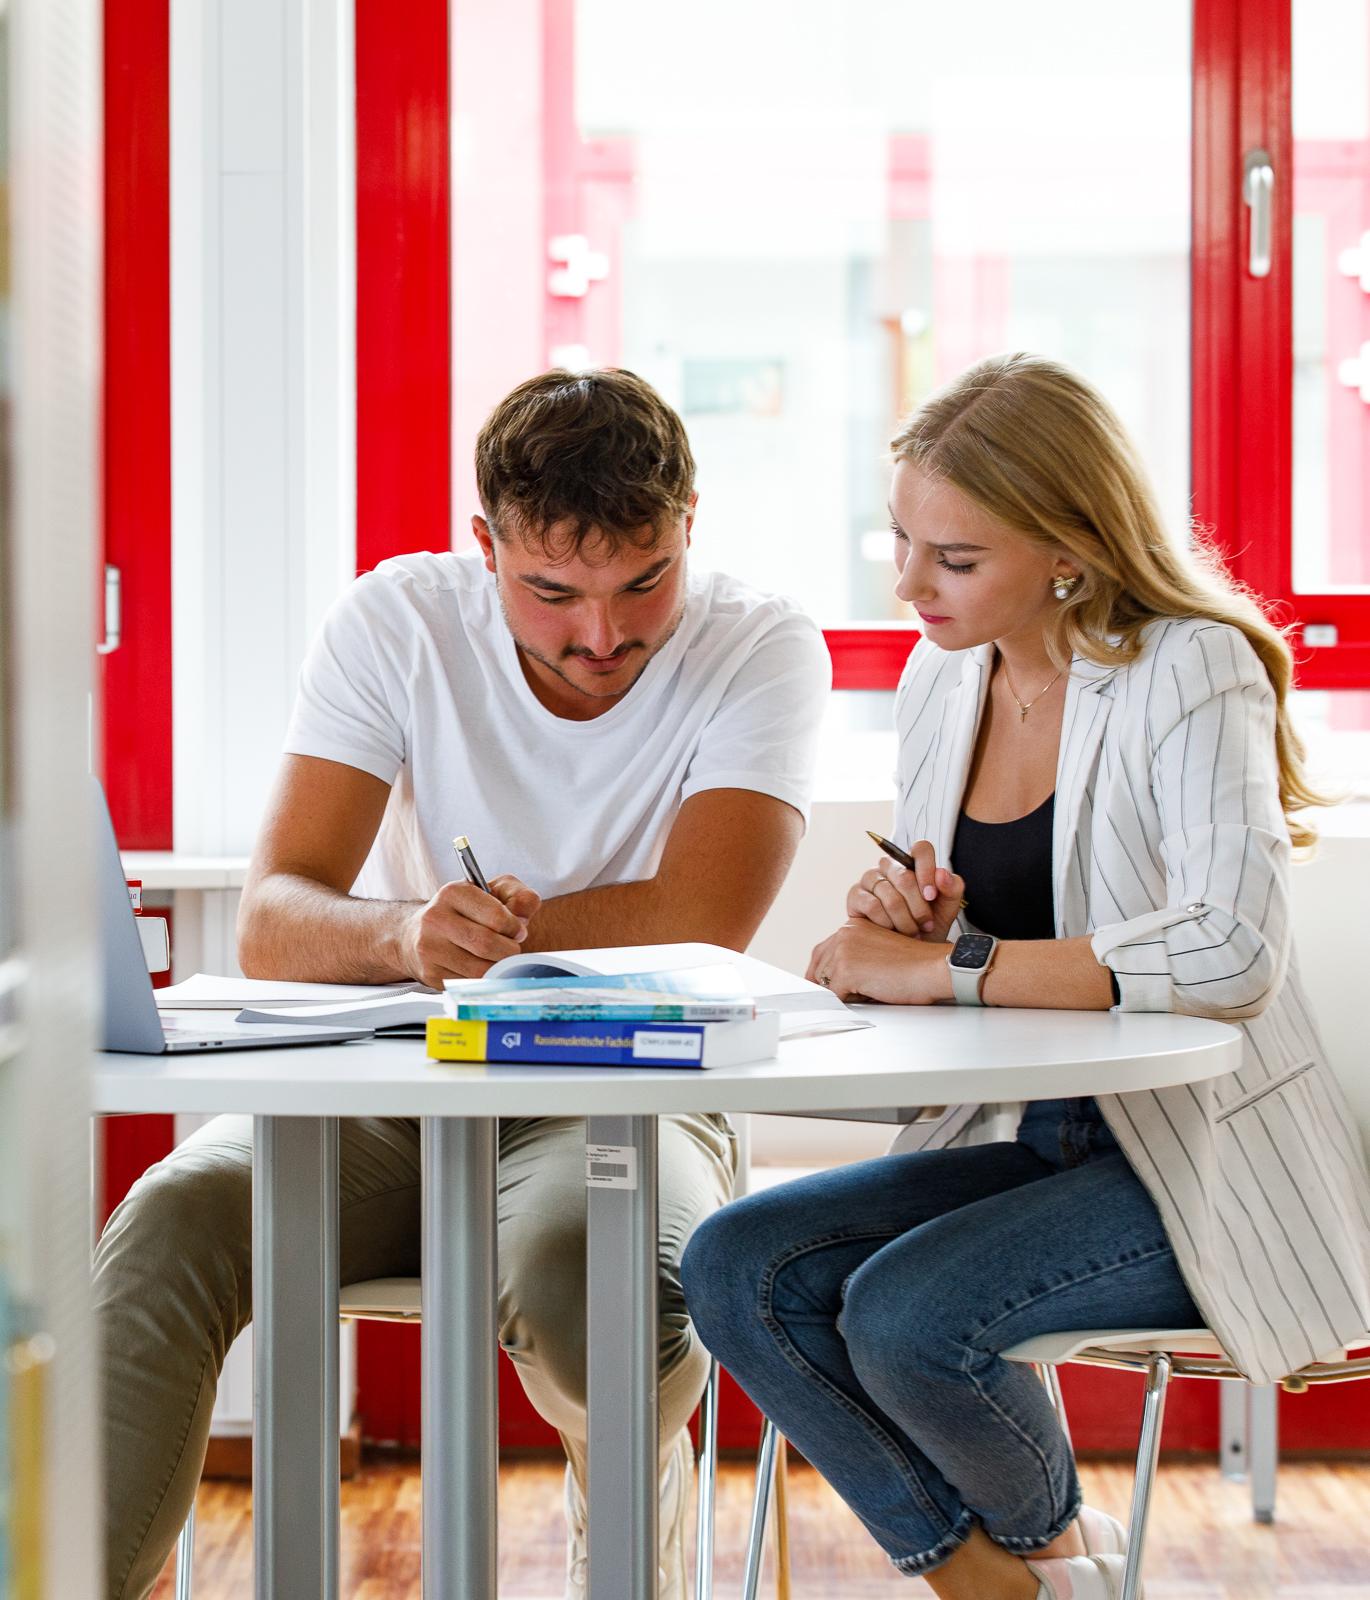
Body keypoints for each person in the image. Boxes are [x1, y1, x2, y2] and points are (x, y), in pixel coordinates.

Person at [94, 367, 831, 1600]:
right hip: (402, 1069)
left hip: (635, 1085)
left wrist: (484, 941)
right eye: (551, 593)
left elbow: (702, 919)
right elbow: (278, 915)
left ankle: (633, 1549)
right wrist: (405, 937)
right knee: (172, 1222)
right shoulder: (397, 620)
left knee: (585, 1279)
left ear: (689, 524)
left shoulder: (760, 643)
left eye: (642, 583)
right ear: (482, 546)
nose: (602, 637)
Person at [682, 352, 1370, 1600]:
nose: (906, 585)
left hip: (1193, 1161)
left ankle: (1008, 1582)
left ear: (1068, 546)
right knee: (735, 1262)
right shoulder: (943, 673)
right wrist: (917, 913)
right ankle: (1036, 1574)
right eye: (899, 541)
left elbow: (1228, 948)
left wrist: (952, 965)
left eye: (952, 558)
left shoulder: (1189, 667)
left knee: (901, 1316)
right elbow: (978, 926)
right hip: (1031, 1136)